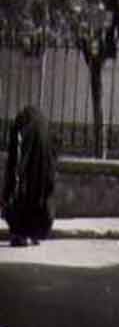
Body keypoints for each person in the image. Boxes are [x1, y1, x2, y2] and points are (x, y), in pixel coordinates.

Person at [2, 105, 57, 247]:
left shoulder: (22, 126)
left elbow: (16, 160)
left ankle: (21, 234)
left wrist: (7, 191)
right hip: (42, 174)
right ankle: (34, 234)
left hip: (28, 177)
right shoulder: (44, 127)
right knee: (38, 199)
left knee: (22, 198)